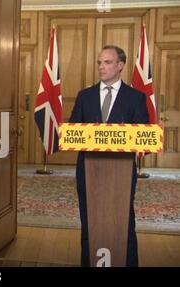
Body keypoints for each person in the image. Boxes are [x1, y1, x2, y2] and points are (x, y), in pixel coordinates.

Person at [69, 45, 149, 267]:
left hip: (120, 175)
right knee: (89, 221)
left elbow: (143, 133)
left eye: (107, 62)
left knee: (124, 222)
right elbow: (73, 129)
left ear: (120, 65)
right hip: (88, 171)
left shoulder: (135, 98)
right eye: (99, 63)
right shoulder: (84, 96)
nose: (101, 67)